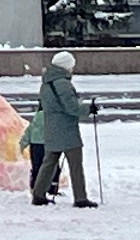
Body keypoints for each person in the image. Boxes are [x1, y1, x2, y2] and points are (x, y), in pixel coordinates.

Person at [31, 51, 98, 208]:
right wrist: (89, 109)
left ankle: (38, 194)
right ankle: (80, 198)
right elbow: (72, 107)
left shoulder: (46, 83)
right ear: (66, 66)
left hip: (51, 127)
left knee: (49, 163)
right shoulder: (63, 83)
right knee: (75, 165)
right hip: (67, 129)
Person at [18, 104, 60, 196]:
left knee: (36, 167)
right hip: (49, 145)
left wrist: (22, 146)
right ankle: (53, 187)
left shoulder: (35, 122)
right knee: (53, 167)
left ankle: (34, 187)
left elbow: (27, 135)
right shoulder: (53, 120)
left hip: (35, 146)